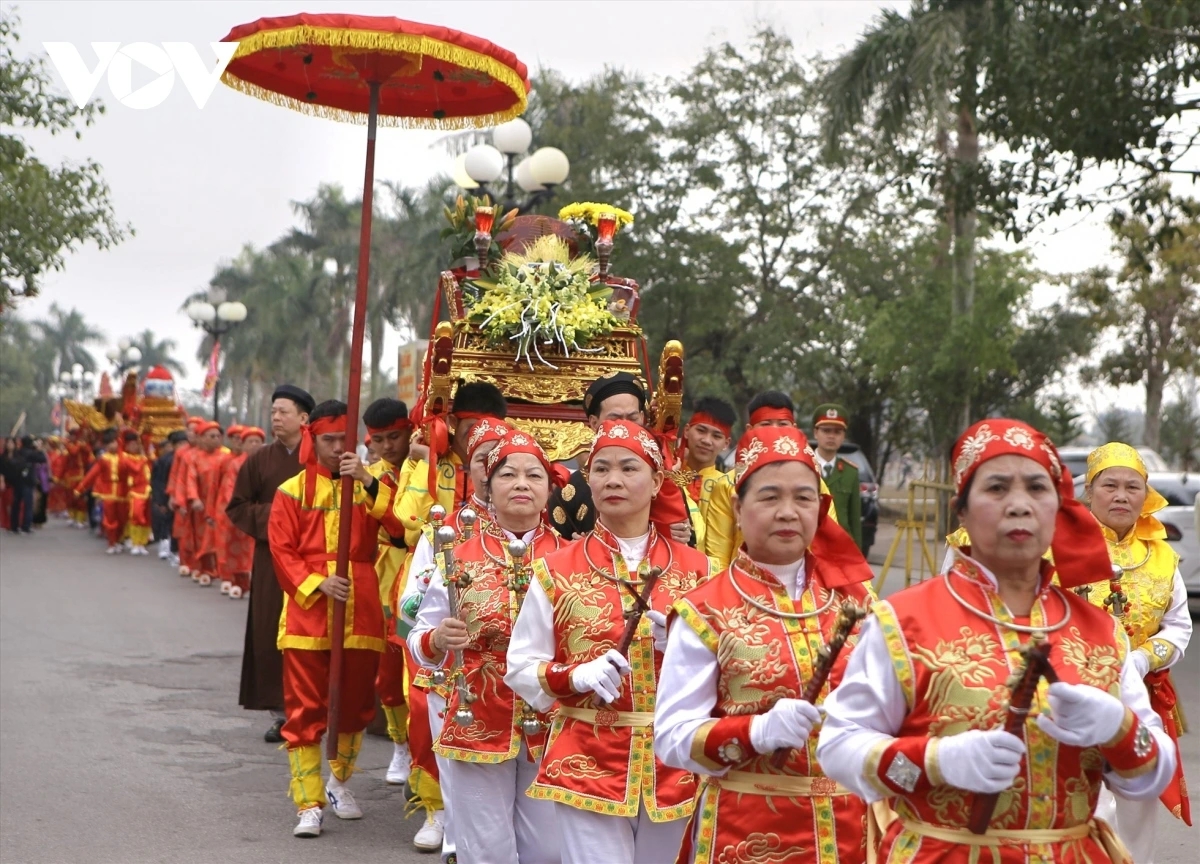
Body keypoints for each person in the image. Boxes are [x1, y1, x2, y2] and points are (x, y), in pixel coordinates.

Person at [817, 419, 1177, 863]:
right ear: (961, 509)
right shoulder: (902, 621)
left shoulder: (1101, 631)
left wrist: (1119, 729)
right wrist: (936, 761)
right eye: (997, 488)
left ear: (1059, 510)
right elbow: (838, 747)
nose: (1019, 505)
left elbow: (1154, 774)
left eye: (1037, 489)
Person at [656, 424, 876, 864]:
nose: (788, 512)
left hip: (851, 833)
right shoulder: (705, 610)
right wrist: (756, 732)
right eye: (770, 497)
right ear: (738, 508)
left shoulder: (859, 602)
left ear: (821, 508)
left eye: (804, 498)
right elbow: (672, 736)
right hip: (747, 833)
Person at [507, 419, 711, 864]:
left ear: (656, 481)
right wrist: (573, 676)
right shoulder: (556, 569)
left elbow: (731, 671)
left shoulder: (701, 571)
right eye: (600, 469)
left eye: (628, 468)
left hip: (674, 763)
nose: (613, 479)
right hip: (585, 757)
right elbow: (520, 666)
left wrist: (687, 647)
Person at [409, 430, 564, 864]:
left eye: (534, 475)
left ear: (548, 490)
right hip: (476, 714)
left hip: (553, 719)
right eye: (508, 474)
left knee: (549, 851)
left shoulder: (573, 557)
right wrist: (437, 639)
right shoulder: (458, 555)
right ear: (488, 486)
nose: (521, 484)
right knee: (485, 849)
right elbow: (419, 637)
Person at [268, 399, 398, 839]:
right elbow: (282, 551)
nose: (338, 447)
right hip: (308, 612)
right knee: (305, 707)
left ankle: (339, 783)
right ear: (313, 439)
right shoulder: (291, 491)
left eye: (345, 439)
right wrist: (317, 583)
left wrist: (368, 482)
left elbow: (400, 528)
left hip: (362, 606)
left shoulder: (371, 484)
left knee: (355, 705)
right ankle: (308, 802)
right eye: (329, 440)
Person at [396, 415, 512, 858]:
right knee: (462, 784)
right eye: (484, 460)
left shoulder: (539, 531)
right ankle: (449, 833)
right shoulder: (444, 529)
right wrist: (437, 593)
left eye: (504, 460)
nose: (494, 468)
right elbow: (411, 606)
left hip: (518, 682)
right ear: (469, 466)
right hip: (457, 674)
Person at [1083, 443, 1192, 861]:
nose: (1121, 496)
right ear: (1089, 491)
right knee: (1090, 803)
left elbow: (1179, 626)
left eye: (1133, 487)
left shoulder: (1162, 556)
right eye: (1109, 485)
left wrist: (1141, 659)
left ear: (1146, 495)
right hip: (1075, 694)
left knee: (1137, 803)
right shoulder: (1060, 546)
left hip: (1139, 697)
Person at [228, 384, 313, 743]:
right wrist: (281, 516)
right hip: (272, 560)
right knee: (270, 633)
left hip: (314, 558)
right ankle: (281, 715)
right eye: (273, 411)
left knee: (312, 634)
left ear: (304, 418)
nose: (276, 418)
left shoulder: (320, 457)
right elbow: (238, 506)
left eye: (283, 411)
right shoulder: (259, 459)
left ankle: (314, 709)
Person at [547, 371, 701, 548]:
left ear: (642, 418)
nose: (625, 426)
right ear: (594, 423)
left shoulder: (662, 481)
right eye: (615, 419)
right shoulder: (569, 489)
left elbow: (687, 543)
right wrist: (574, 549)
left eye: (633, 418)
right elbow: (550, 545)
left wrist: (679, 536)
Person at [360, 398, 415, 786]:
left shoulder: (426, 471)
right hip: (383, 583)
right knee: (389, 675)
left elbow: (402, 525)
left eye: (394, 437)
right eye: (378, 440)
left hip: (421, 575)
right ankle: (401, 745)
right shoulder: (369, 476)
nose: (387, 446)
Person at [678, 397, 738, 569]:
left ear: (726, 443)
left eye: (716, 436)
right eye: (701, 430)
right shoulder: (667, 477)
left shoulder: (729, 486)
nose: (706, 440)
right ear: (687, 431)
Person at [214, 427, 264, 599]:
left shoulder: (265, 462)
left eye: (258, 441)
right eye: (251, 441)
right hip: (241, 512)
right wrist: (240, 507)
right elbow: (230, 489)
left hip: (259, 513)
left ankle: (252, 584)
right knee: (234, 548)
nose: (254, 444)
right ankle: (233, 580)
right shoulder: (236, 464)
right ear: (243, 445)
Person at [811, 403, 863, 551]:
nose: (831, 436)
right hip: (810, 544)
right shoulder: (803, 466)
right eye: (826, 430)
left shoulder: (850, 472)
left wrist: (857, 554)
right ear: (815, 433)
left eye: (837, 432)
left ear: (843, 436)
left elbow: (855, 520)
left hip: (840, 546)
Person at [167, 417, 206, 576]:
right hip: (183, 496)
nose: (191, 433)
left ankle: (202, 565)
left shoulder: (211, 453)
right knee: (184, 531)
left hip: (205, 498)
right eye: (189, 429)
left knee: (203, 532)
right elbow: (176, 476)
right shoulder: (182, 453)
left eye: (195, 429)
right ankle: (186, 562)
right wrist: (174, 497)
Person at [76, 429, 124, 553]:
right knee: (110, 519)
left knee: (122, 519)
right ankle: (112, 543)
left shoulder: (123, 457)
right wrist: (80, 488)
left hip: (122, 493)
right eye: (110, 443)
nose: (113, 445)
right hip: (108, 494)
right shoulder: (103, 459)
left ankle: (118, 540)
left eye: (115, 442)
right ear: (106, 446)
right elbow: (92, 475)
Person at [151, 432, 185, 561]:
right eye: (180, 444)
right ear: (173, 445)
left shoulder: (188, 458)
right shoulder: (165, 460)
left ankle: (177, 549)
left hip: (183, 496)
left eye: (185, 443)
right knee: (167, 522)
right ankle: (166, 546)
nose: (183, 446)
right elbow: (158, 481)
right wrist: (160, 500)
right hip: (168, 496)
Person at [118, 430, 152, 555]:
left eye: (136, 444)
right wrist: (143, 459)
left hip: (147, 490)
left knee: (146, 518)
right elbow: (135, 468)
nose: (135, 447)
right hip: (135, 491)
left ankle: (142, 542)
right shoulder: (126, 458)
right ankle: (135, 542)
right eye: (131, 445)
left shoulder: (143, 457)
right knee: (136, 516)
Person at [6, 436, 45, 535]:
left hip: (17, 481)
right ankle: (26, 526)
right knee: (28, 505)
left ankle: (14, 526)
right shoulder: (32, 453)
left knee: (16, 505)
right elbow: (42, 459)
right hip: (28, 482)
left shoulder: (18, 452)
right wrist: (39, 449)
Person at [61, 428, 93, 527]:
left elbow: (83, 452)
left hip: (80, 475)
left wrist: (81, 444)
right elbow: (67, 459)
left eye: (73, 436)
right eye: (70, 436)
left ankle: (80, 519)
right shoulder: (70, 446)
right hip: (70, 476)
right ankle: (72, 517)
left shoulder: (81, 445)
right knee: (70, 498)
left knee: (80, 497)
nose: (71, 438)